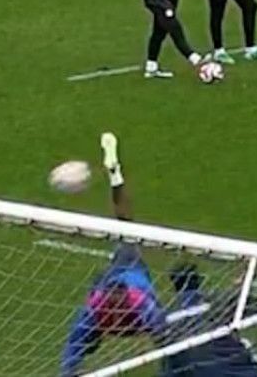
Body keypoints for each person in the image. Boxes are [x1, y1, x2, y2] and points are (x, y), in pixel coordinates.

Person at [60, 133, 167, 376]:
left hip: (127, 266)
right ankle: (114, 173)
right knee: (125, 227)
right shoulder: (97, 307)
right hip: (123, 270)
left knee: (125, 228)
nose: (114, 305)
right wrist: (69, 372)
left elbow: (163, 335)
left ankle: (115, 174)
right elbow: (72, 346)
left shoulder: (140, 303)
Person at [160, 265, 257, 376]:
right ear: (197, 282)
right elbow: (240, 299)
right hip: (228, 368)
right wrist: (245, 278)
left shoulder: (167, 312)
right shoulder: (211, 301)